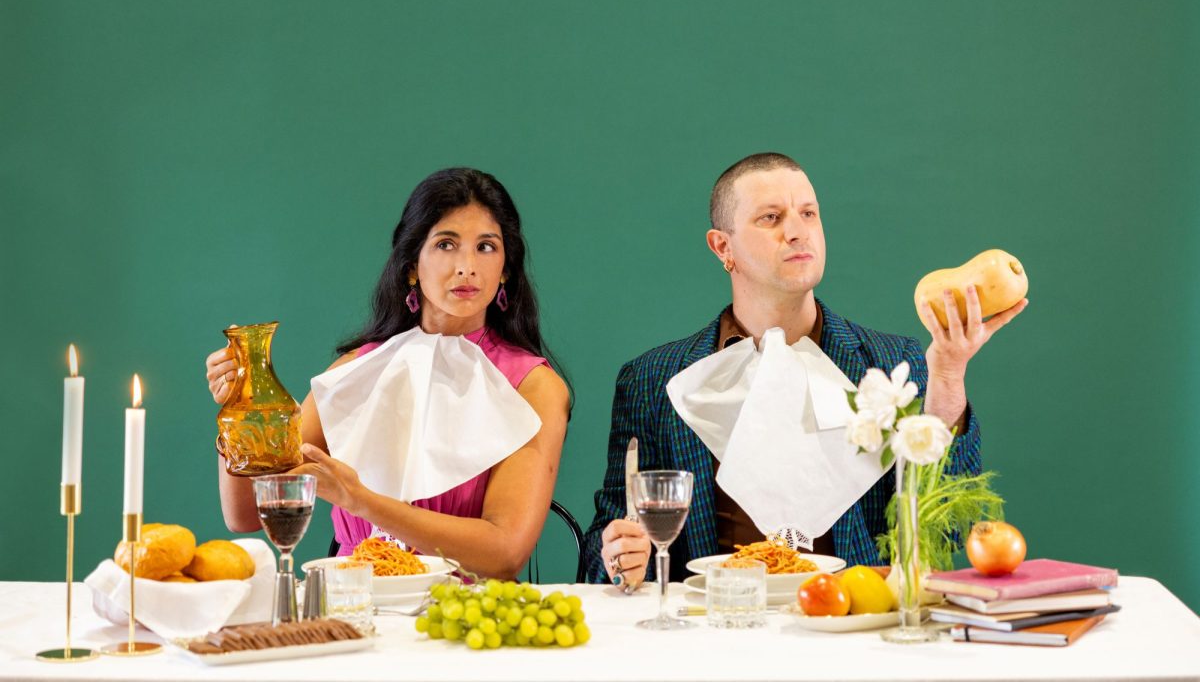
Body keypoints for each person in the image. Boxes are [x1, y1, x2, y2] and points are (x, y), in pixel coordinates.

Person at [583, 153, 1026, 585]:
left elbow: (945, 526)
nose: (797, 232)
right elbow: (603, 554)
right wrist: (621, 560)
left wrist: (947, 376)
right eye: (771, 218)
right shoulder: (653, 380)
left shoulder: (894, 366)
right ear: (723, 246)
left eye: (808, 214)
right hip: (712, 633)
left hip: (851, 629)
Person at [205, 168, 570, 580]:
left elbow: (504, 553)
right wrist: (240, 410)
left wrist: (358, 499)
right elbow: (247, 514)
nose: (467, 266)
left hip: (462, 625)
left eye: (486, 247)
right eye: (446, 244)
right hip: (350, 615)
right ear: (412, 265)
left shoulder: (534, 388)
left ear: (506, 268)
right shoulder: (356, 370)